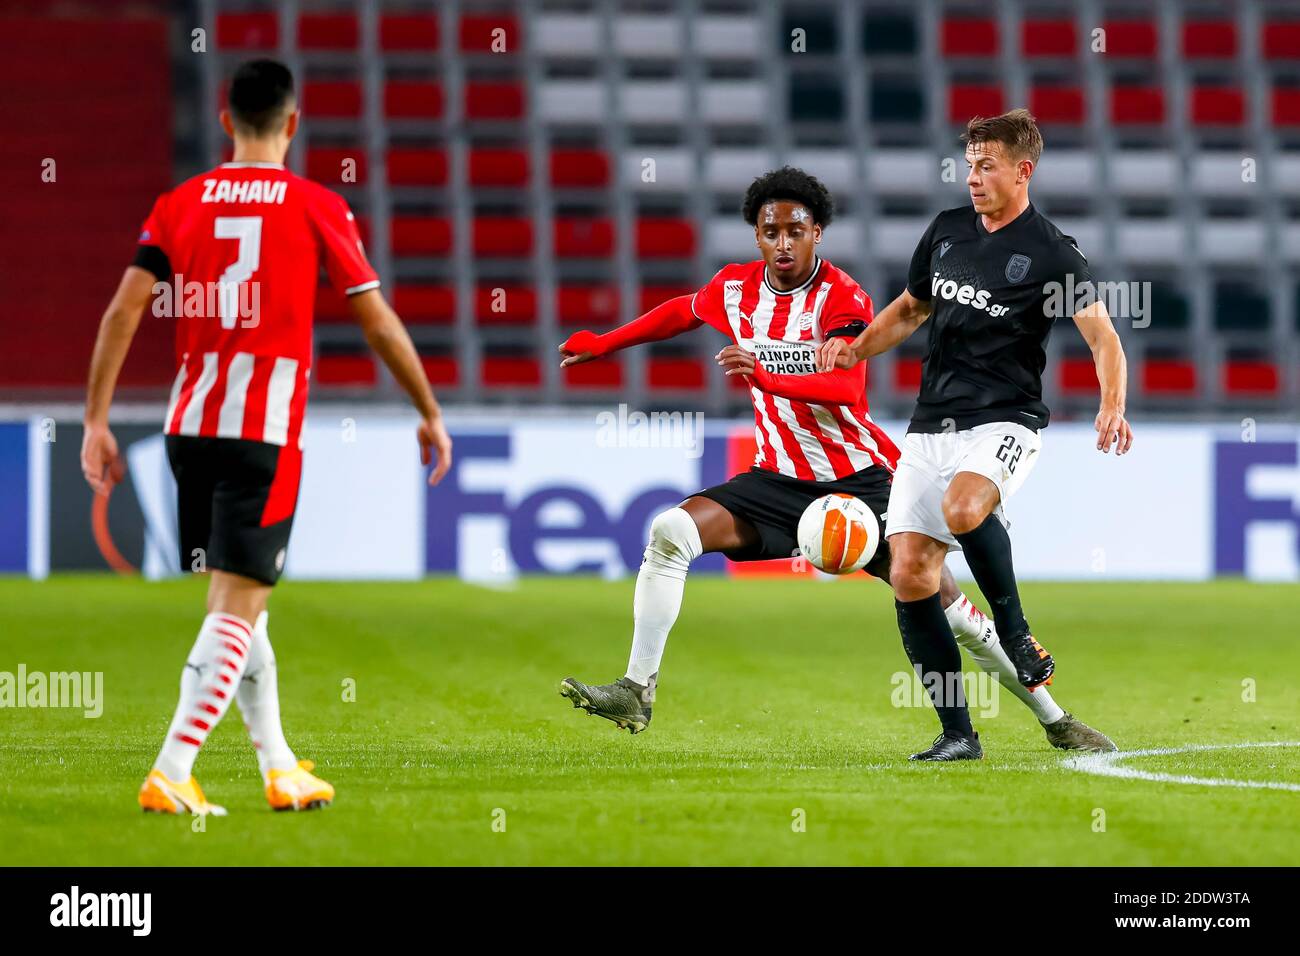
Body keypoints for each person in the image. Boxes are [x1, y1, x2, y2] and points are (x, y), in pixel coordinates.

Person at [557, 166, 1114, 758]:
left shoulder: (842, 297)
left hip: (861, 480)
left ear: (817, 232)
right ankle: (636, 689)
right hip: (776, 481)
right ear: (757, 235)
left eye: (796, 231)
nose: (783, 243)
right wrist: (605, 343)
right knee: (671, 531)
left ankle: (1054, 718)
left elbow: (845, 387)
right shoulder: (735, 288)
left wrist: (767, 373)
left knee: (942, 602)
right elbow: (682, 311)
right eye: (771, 231)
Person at [80, 59, 453, 813]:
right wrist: (429, 409)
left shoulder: (179, 202)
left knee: (242, 604)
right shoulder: (315, 204)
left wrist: (94, 418)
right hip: (263, 435)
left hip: (188, 429)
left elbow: (122, 313)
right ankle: (172, 770)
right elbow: (373, 317)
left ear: (226, 123)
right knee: (236, 607)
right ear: (291, 123)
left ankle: (280, 767)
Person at [818, 110, 1132, 760]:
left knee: (965, 508)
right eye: (969, 166)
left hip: (1006, 419)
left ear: (1023, 171)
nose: (973, 178)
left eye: (987, 166)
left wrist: (1113, 402)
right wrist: (855, 350)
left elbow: (1102, 334)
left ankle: (1018, 635)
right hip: (931, 426)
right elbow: (911, 309)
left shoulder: (1052, 251)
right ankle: (959, 734)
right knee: (909, 574)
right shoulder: (947, 232)